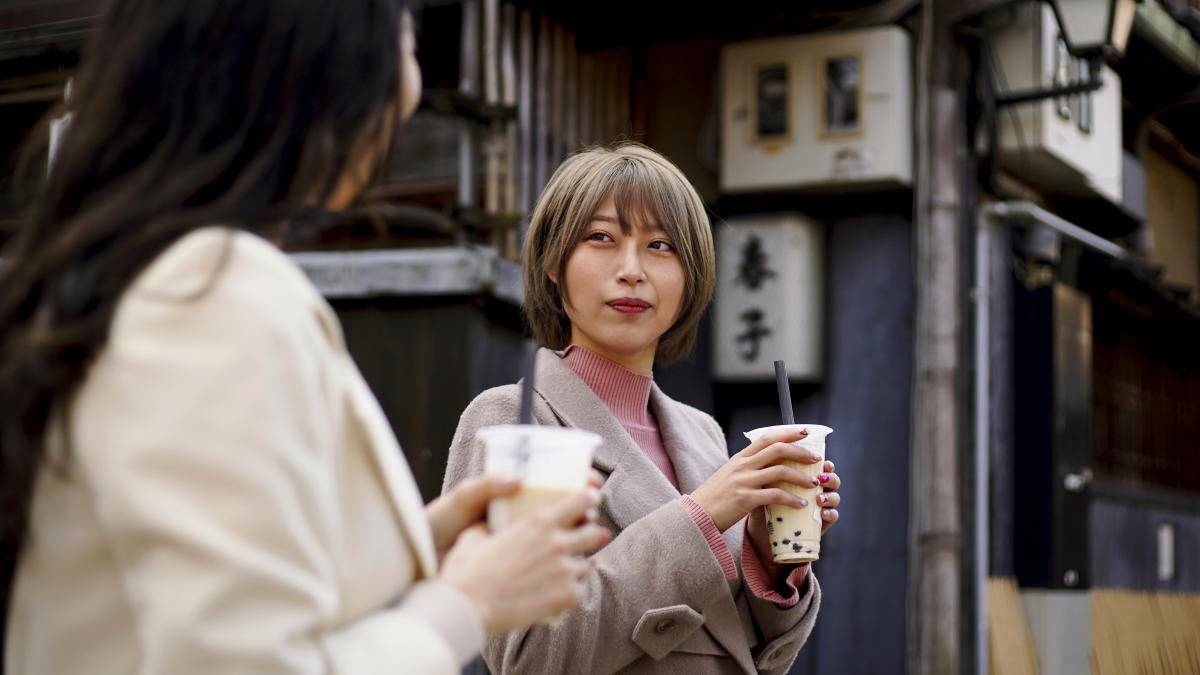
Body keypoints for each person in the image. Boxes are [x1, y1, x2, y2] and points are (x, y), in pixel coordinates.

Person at [0, 2, 607, 673]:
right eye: (406, 39)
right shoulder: (216, 293)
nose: (411, 88)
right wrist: (468, 601)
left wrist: (423, 541)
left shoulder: (149, 275)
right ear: (327, 64)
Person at [443, 143, 845, 674]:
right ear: (551, 263)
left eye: (660, 245)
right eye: (601, 238)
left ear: (690, 277)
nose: (631, 270)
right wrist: (703, 516)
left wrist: (767, 556)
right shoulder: (512, 420)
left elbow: (756, 656)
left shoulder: (699, 432)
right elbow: (527, 655)